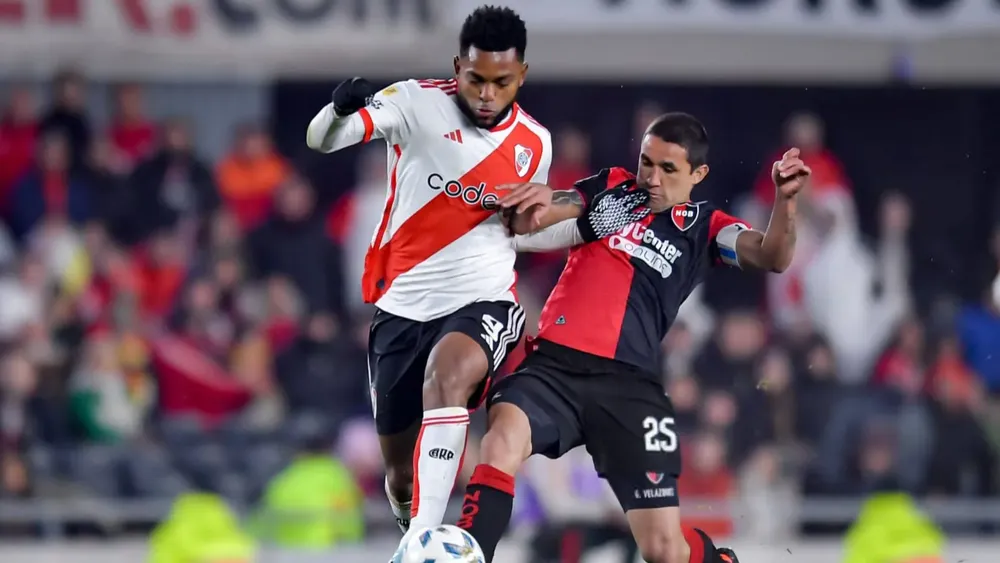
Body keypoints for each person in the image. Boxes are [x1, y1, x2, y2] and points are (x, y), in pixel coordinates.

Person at [305, 4, 647, 541]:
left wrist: (583, 226)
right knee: (399, 476)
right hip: (401, 307)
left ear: (522, 76)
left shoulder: (535, 142)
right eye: (477, 79)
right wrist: (338, 110)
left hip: (483, 298)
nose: (487, 94)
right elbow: (320, 140)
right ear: (457, 65)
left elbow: (521, 229)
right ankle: (412, 520)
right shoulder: (416, 102)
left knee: (449, 376)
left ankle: (424, 541)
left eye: (502, 82)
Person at [453, 112, 810, 563]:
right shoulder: (614, 186)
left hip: (628, 388)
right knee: (500, 441)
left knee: (662, 550)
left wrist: (786, 201)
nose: (652, 178)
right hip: (552, 369)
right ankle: (464, 555)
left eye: (668, 169)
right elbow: (560, 208)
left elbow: (771, 255)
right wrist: (538, 202)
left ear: (698, 175)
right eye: (646, 162)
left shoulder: (705, 228)